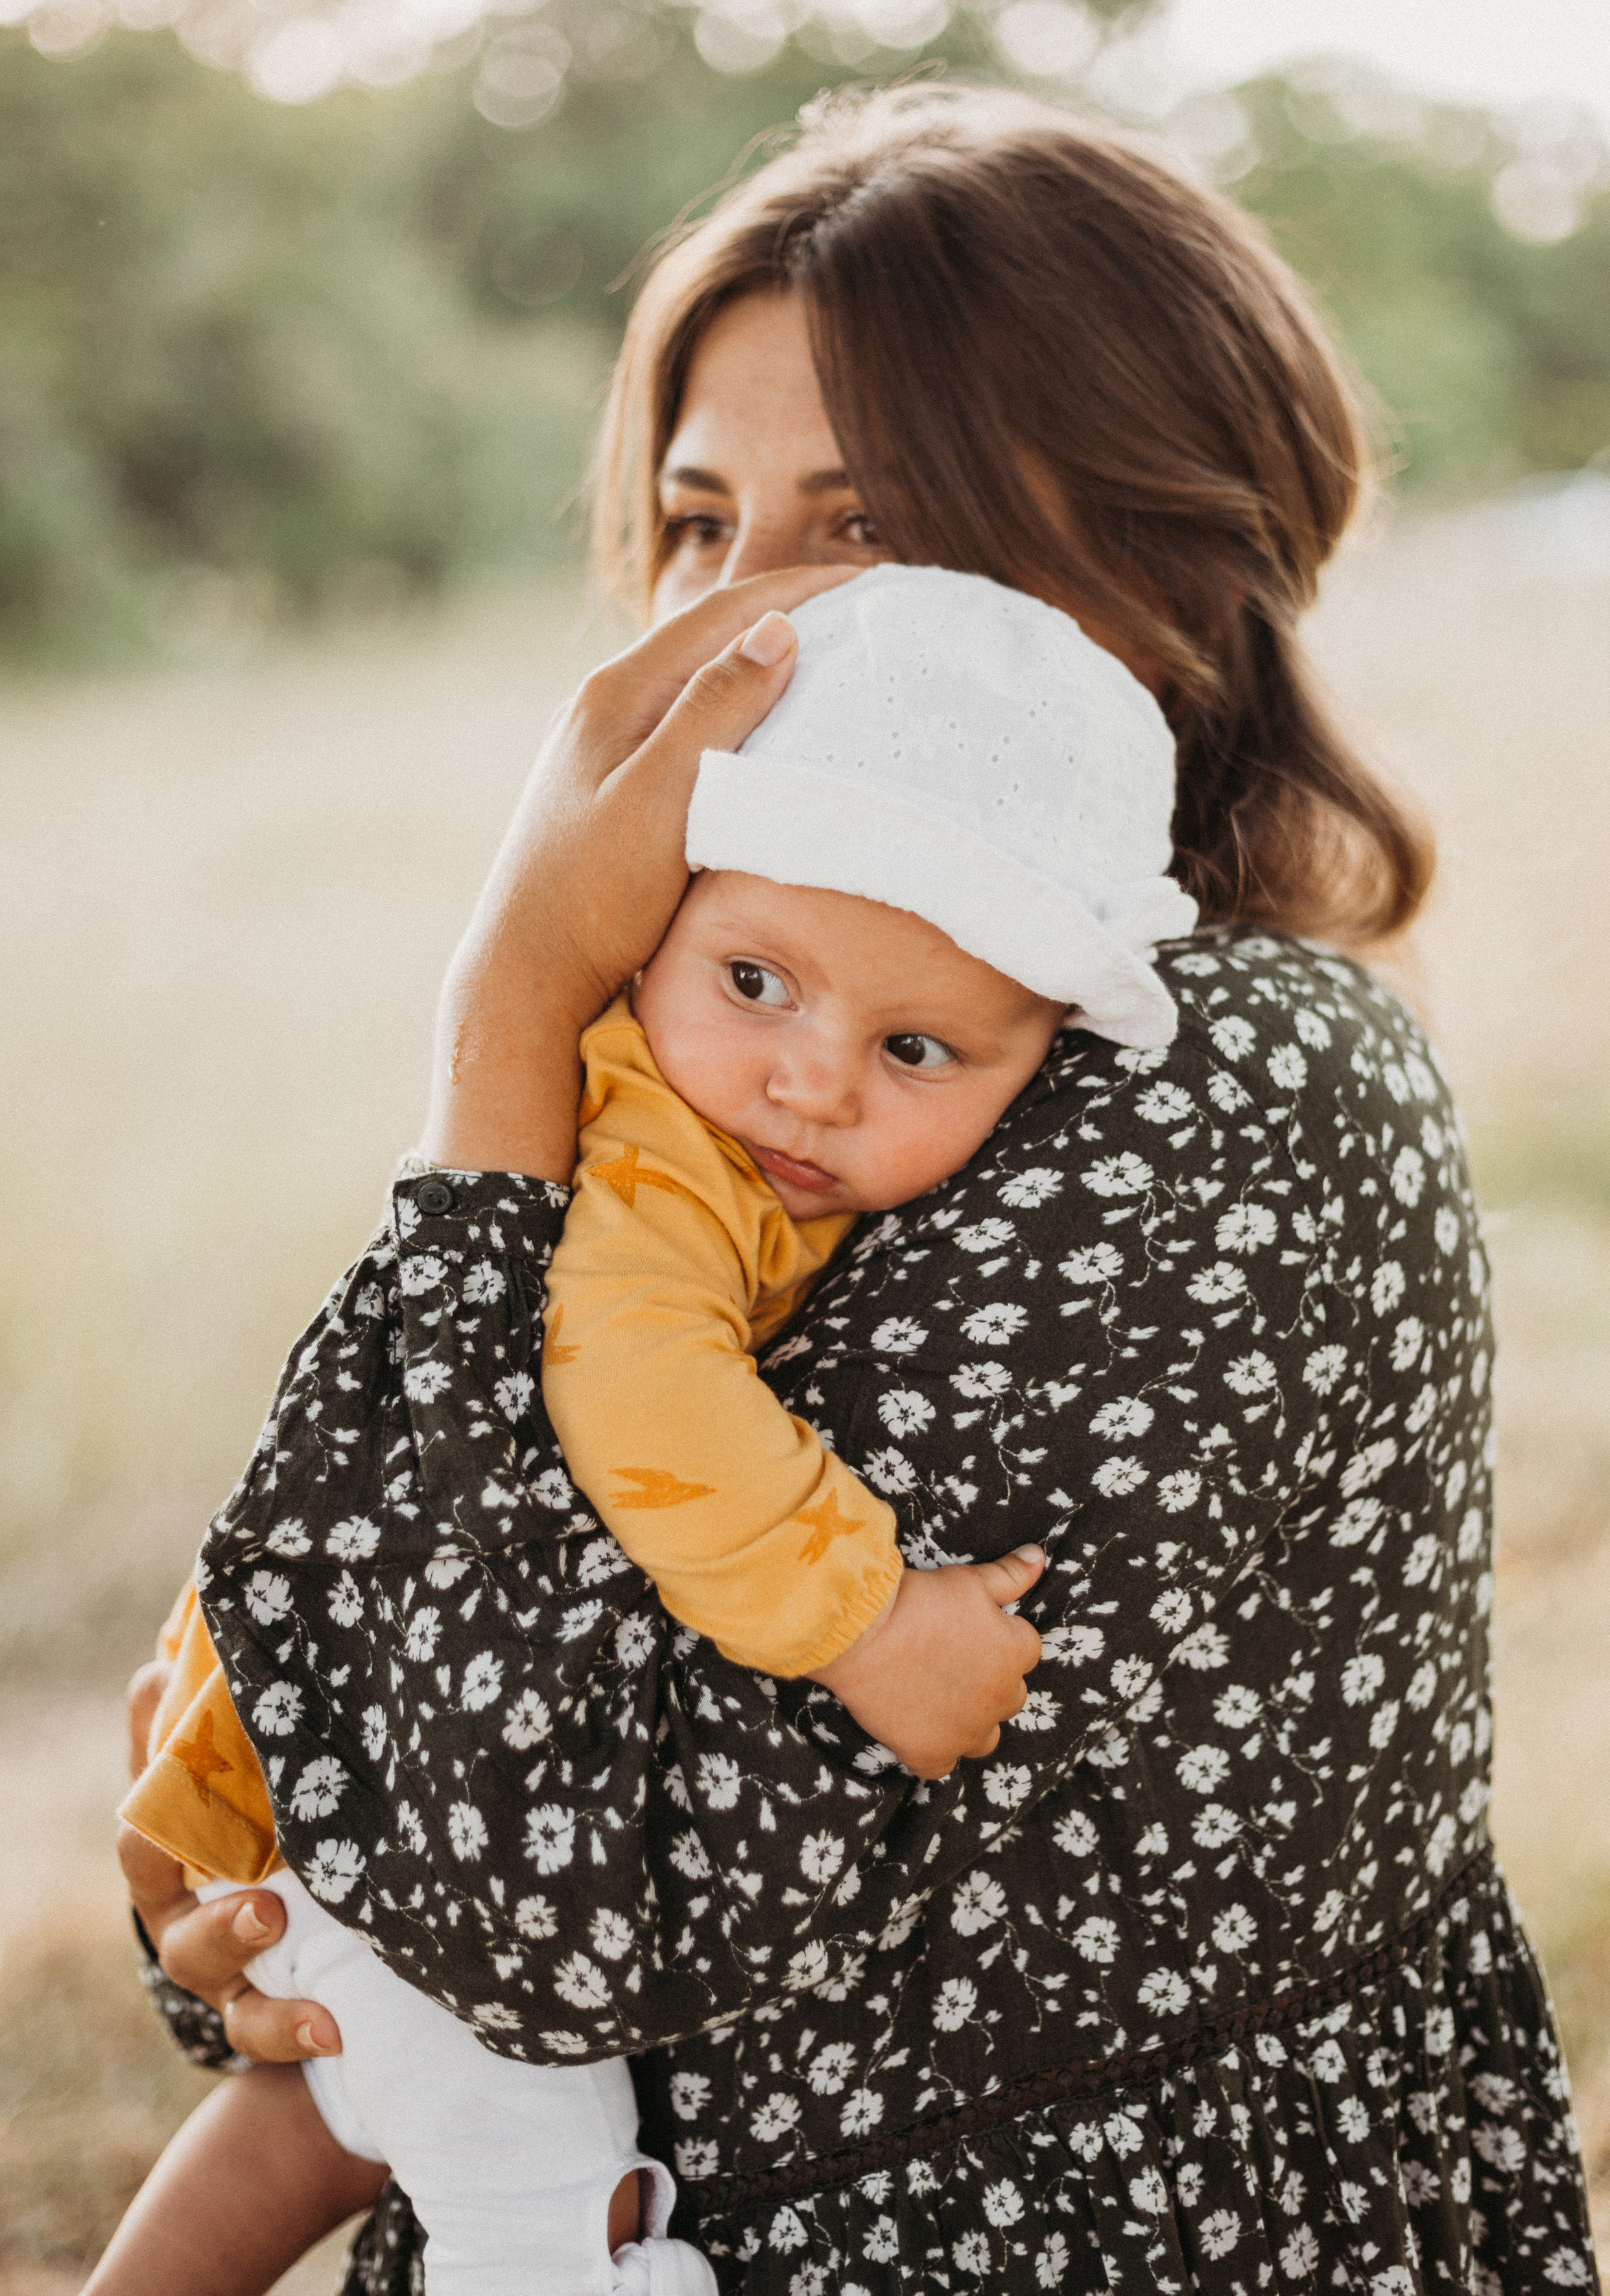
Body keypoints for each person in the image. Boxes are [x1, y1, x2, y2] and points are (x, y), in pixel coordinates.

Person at [123, 84, 1597, 2296]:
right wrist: (251, 1929)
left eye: (864, 526)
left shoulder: (1229, 1092)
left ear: (1155, 572)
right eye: (698, 525)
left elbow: (533, 1912)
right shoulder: (759, 1084)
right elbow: (396, 1727)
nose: (730, 640)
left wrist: (500, 1021)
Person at [106, 566, 1198, 2295]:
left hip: (380, 1700)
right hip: (380, 1722)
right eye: (754, 978)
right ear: (659, 919)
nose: (811, 1079)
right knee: (528, 2159)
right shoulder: (650, 1156)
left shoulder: (749, 1119)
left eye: (915, 1046)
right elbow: (633, 1381)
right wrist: (867, 1615)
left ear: (1039, 1055)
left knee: (338, 2087)